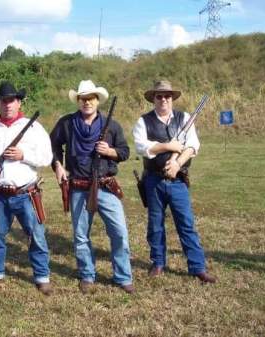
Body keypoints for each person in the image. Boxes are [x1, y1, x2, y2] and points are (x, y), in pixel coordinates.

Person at [50, 80, 134, 294]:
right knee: (80, 236)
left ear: (98, 101)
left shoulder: (111, 125)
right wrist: (58, 166)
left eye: (91, 98)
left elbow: (124, 152)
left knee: (119, 233)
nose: (87, 102)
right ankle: (87, 274)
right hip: (78, 187)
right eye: (83, 99)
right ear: (78, 101)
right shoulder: (67, 124)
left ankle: (123, 276)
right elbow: (52, 145)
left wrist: (110, 151)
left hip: (106, 186)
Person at [0, 81, 54, 295]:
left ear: (18, 102)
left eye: (11, 100)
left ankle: (42, 276)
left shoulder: (34, 128)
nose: (7, 104)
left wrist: (23, 155)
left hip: (27, 193)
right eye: (3, 100)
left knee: (37, 236)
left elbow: (47, 157)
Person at [132, 80, 216, 283]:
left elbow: (193, 145)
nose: (163, 99)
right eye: (159, 96)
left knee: (186, 224)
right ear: (153, 98)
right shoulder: (143, 121)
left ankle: (197, 267)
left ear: (172, 98)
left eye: (167, 96)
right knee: (155, 225)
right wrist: (168, 145)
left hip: (178, 181)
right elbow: (142, 147)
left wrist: (177, 163)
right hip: (153, 180)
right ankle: (158, 262)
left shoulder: (184, 118)